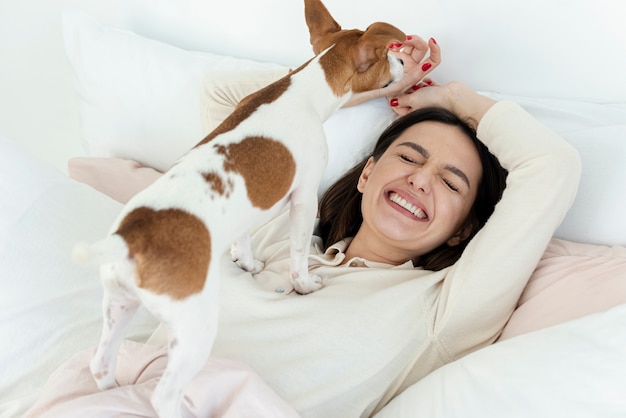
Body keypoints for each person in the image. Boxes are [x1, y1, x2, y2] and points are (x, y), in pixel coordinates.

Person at [26, 35, 580, 418]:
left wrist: (454, 98)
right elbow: (222, 97)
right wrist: (373, 80)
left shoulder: (439, 308)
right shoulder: (268, 222)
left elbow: (552, 167)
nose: (420, 181)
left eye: (451, 182)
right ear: (366, 175)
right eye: (410, 156)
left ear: (462, 231)